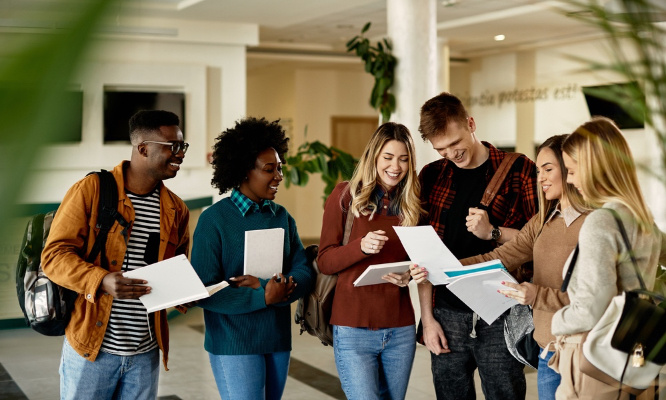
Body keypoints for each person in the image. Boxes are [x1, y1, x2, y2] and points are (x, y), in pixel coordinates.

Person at [413, 134, 590, 399]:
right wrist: (437, 270)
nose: (540, 177)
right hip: (548, 348)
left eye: (548, 169)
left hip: (584, 348)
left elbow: (596, 297)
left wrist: (535, 294)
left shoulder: (596, 222)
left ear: (572, 168)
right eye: (539, 170)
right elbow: (499, 257)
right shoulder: (542, 221)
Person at [42, 110, 191, 399]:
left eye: (182, 146)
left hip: (145, 352)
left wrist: (192, 291)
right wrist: (102, 280)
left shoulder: (176, 210)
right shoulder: (92, 190)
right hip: (92, 350)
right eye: (172, 146)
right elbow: (54, 256)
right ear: (143, 148)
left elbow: (177, 268)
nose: (180, 154)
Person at [413, 92, 537, 400]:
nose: (451, 154)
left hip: (501, 311)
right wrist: (427, 320)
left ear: (470, 124)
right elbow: (424, 254)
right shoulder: (431, 176)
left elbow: (540, 239)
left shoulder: (520, 170)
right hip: (446, 313)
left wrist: (493, 232)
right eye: (441, 149)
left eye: (455, 143)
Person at [190, 117, 315, 400]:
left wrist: (285, 284)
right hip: (233, 341)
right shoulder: (214, 220)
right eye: (269, 169)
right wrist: (263, 296)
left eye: (280, 168)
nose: (279, 176)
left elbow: (303, 269)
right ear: (244, 171)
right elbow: (203, 291)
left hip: (277, 337)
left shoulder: (282, 217)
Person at [550, 116, 663, 399]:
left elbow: (591, 308)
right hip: (638, 354)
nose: (571, 181)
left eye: (573, 170)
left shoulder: (602, 221)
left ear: (596, 169)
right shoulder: (643, 220)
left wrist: (556, 322)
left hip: (597, 360)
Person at [317, 122, 424, 399]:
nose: (395, 167)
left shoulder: (412, 201)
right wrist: (360, 247)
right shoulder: (345, 196)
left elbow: (420, 260)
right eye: (388, 157)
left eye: (403, 159)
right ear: (373, 157)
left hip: (400, 328)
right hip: (352, 328)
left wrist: (409, 276)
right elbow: (326, 261)